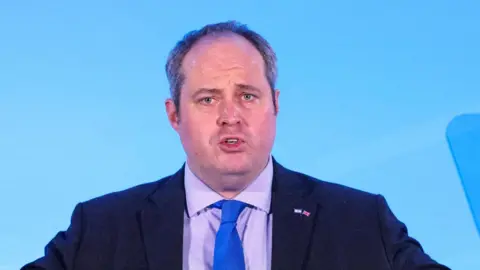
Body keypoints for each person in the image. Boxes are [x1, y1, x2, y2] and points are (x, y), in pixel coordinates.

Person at [22, 20, 450, 270]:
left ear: (275, 105)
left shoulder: (360, 221)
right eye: (208, 99)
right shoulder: (100, 229)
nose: (231, 115)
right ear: (174, 115)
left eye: (248, 95)